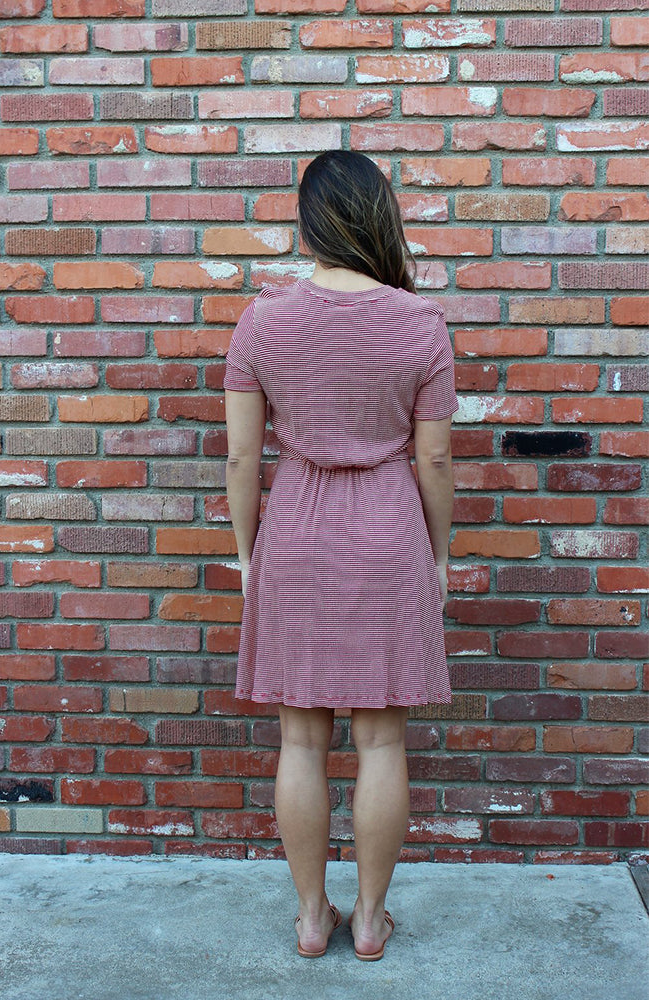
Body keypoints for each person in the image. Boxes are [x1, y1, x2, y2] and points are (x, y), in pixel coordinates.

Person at [223, 150, 458, 961]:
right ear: (380, 217)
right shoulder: (421, 323)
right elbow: (433, 461)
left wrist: (248, 556)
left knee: (301, 741)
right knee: (381, 742)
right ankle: (368, 918)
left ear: (308, 222)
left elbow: (243, 462)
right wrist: (437, 555)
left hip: (297, 532)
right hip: (389, 531)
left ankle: (312, 917)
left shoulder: (262, 321)